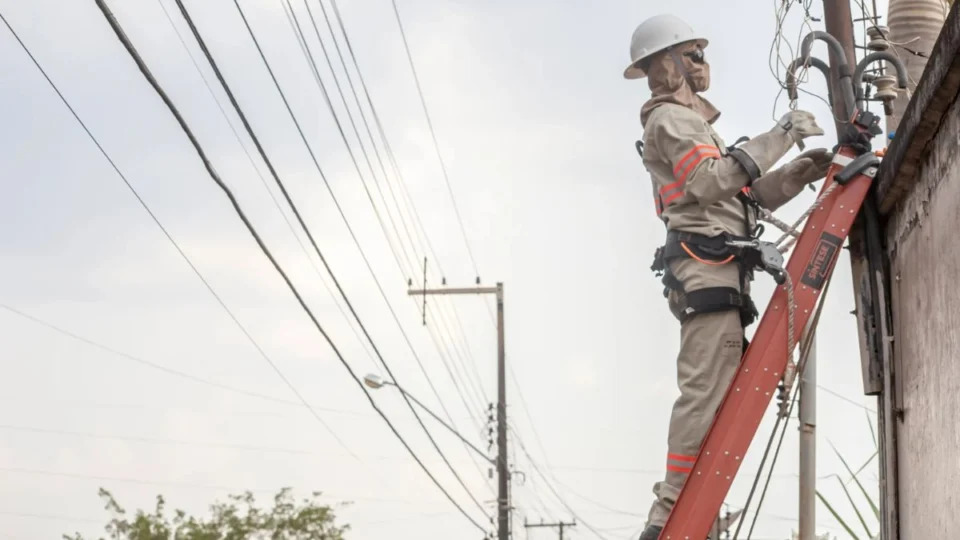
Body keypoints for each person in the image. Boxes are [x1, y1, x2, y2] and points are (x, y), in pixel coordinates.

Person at [623, 14, 835, 540]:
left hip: (718, 268)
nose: (702, 63)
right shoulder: (670, 120)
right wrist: (781, 135)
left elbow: (748, 195)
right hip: (704, 268)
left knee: (716, 391)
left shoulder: (696, 124)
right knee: (703, 390)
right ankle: (670, 513)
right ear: (666, 63)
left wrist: (802, 170)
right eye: (693, 54)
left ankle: (695, 513)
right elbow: (710, 181)